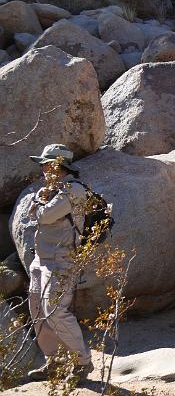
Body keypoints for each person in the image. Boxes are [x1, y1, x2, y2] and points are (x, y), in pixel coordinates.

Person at [25, 144, 94, 383]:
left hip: (61, 261)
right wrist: (37, 206)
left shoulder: (73, 190)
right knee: (37, 312)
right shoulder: (49, 190)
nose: (43, 169)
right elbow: (31, 213)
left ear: (58, 166)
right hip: (40, 260)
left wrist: (37, 206)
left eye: (47, 164)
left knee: (55, 312)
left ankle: (83, 362)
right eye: (43, 165)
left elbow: (44, 216)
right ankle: (53, 362)